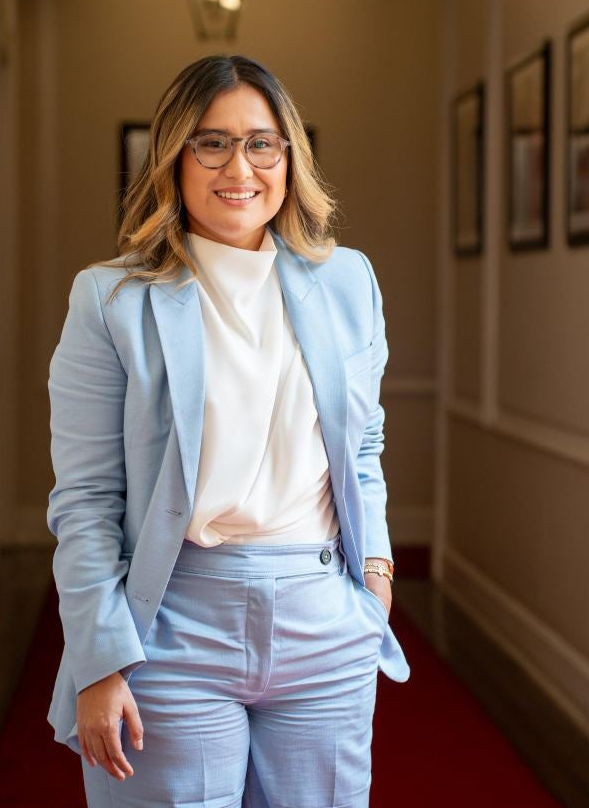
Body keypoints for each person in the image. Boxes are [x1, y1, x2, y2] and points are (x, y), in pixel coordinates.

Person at [45, 53, 410, 807]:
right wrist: (99, 657)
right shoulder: (111, 299)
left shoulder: (348, 281)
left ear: (289, 158)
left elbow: (363, 446)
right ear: (173, 158)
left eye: (261, 143)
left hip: (324, 622)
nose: (239, 167)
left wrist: (375, 575)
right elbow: (85, 500)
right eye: (211, 143)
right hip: (171, 627)